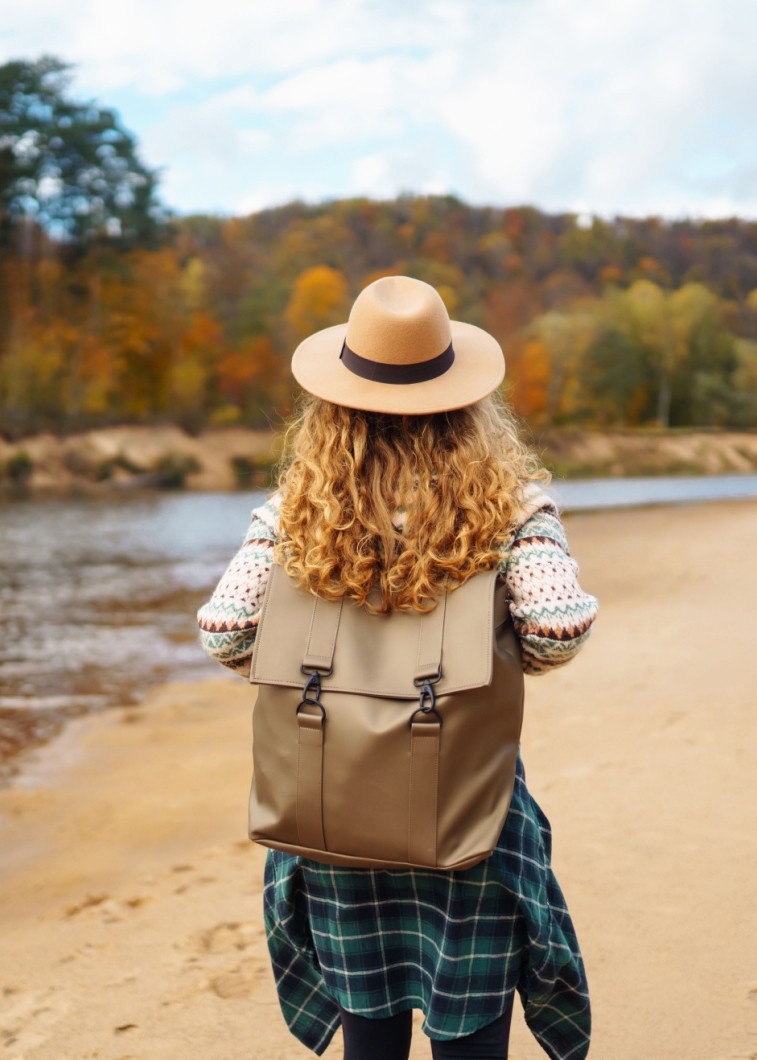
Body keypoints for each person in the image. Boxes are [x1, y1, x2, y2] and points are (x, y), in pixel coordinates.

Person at [197, 275, 598, 1060]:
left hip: (332, 803)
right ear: (466, 407)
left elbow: (224, 631)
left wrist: (329, 664)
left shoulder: (292, 513)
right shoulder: (512, 505)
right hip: (466, 806)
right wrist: (492, 652)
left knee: (369, 1033)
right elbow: (555, 629)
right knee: (470, 1029)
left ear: (334, 409)